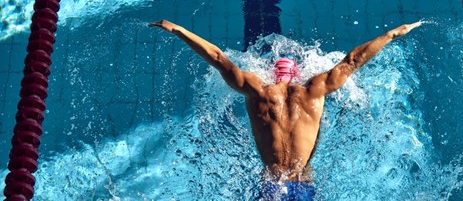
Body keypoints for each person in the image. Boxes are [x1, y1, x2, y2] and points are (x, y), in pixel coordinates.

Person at [149, 19, 422, 200]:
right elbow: (352, 60)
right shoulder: (315, 90)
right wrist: (392, 33)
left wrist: (179, 31)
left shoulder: (258, 91)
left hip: (272, 185)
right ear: (298, 74)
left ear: (271, 73)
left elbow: (219, 58)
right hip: (303, 182)